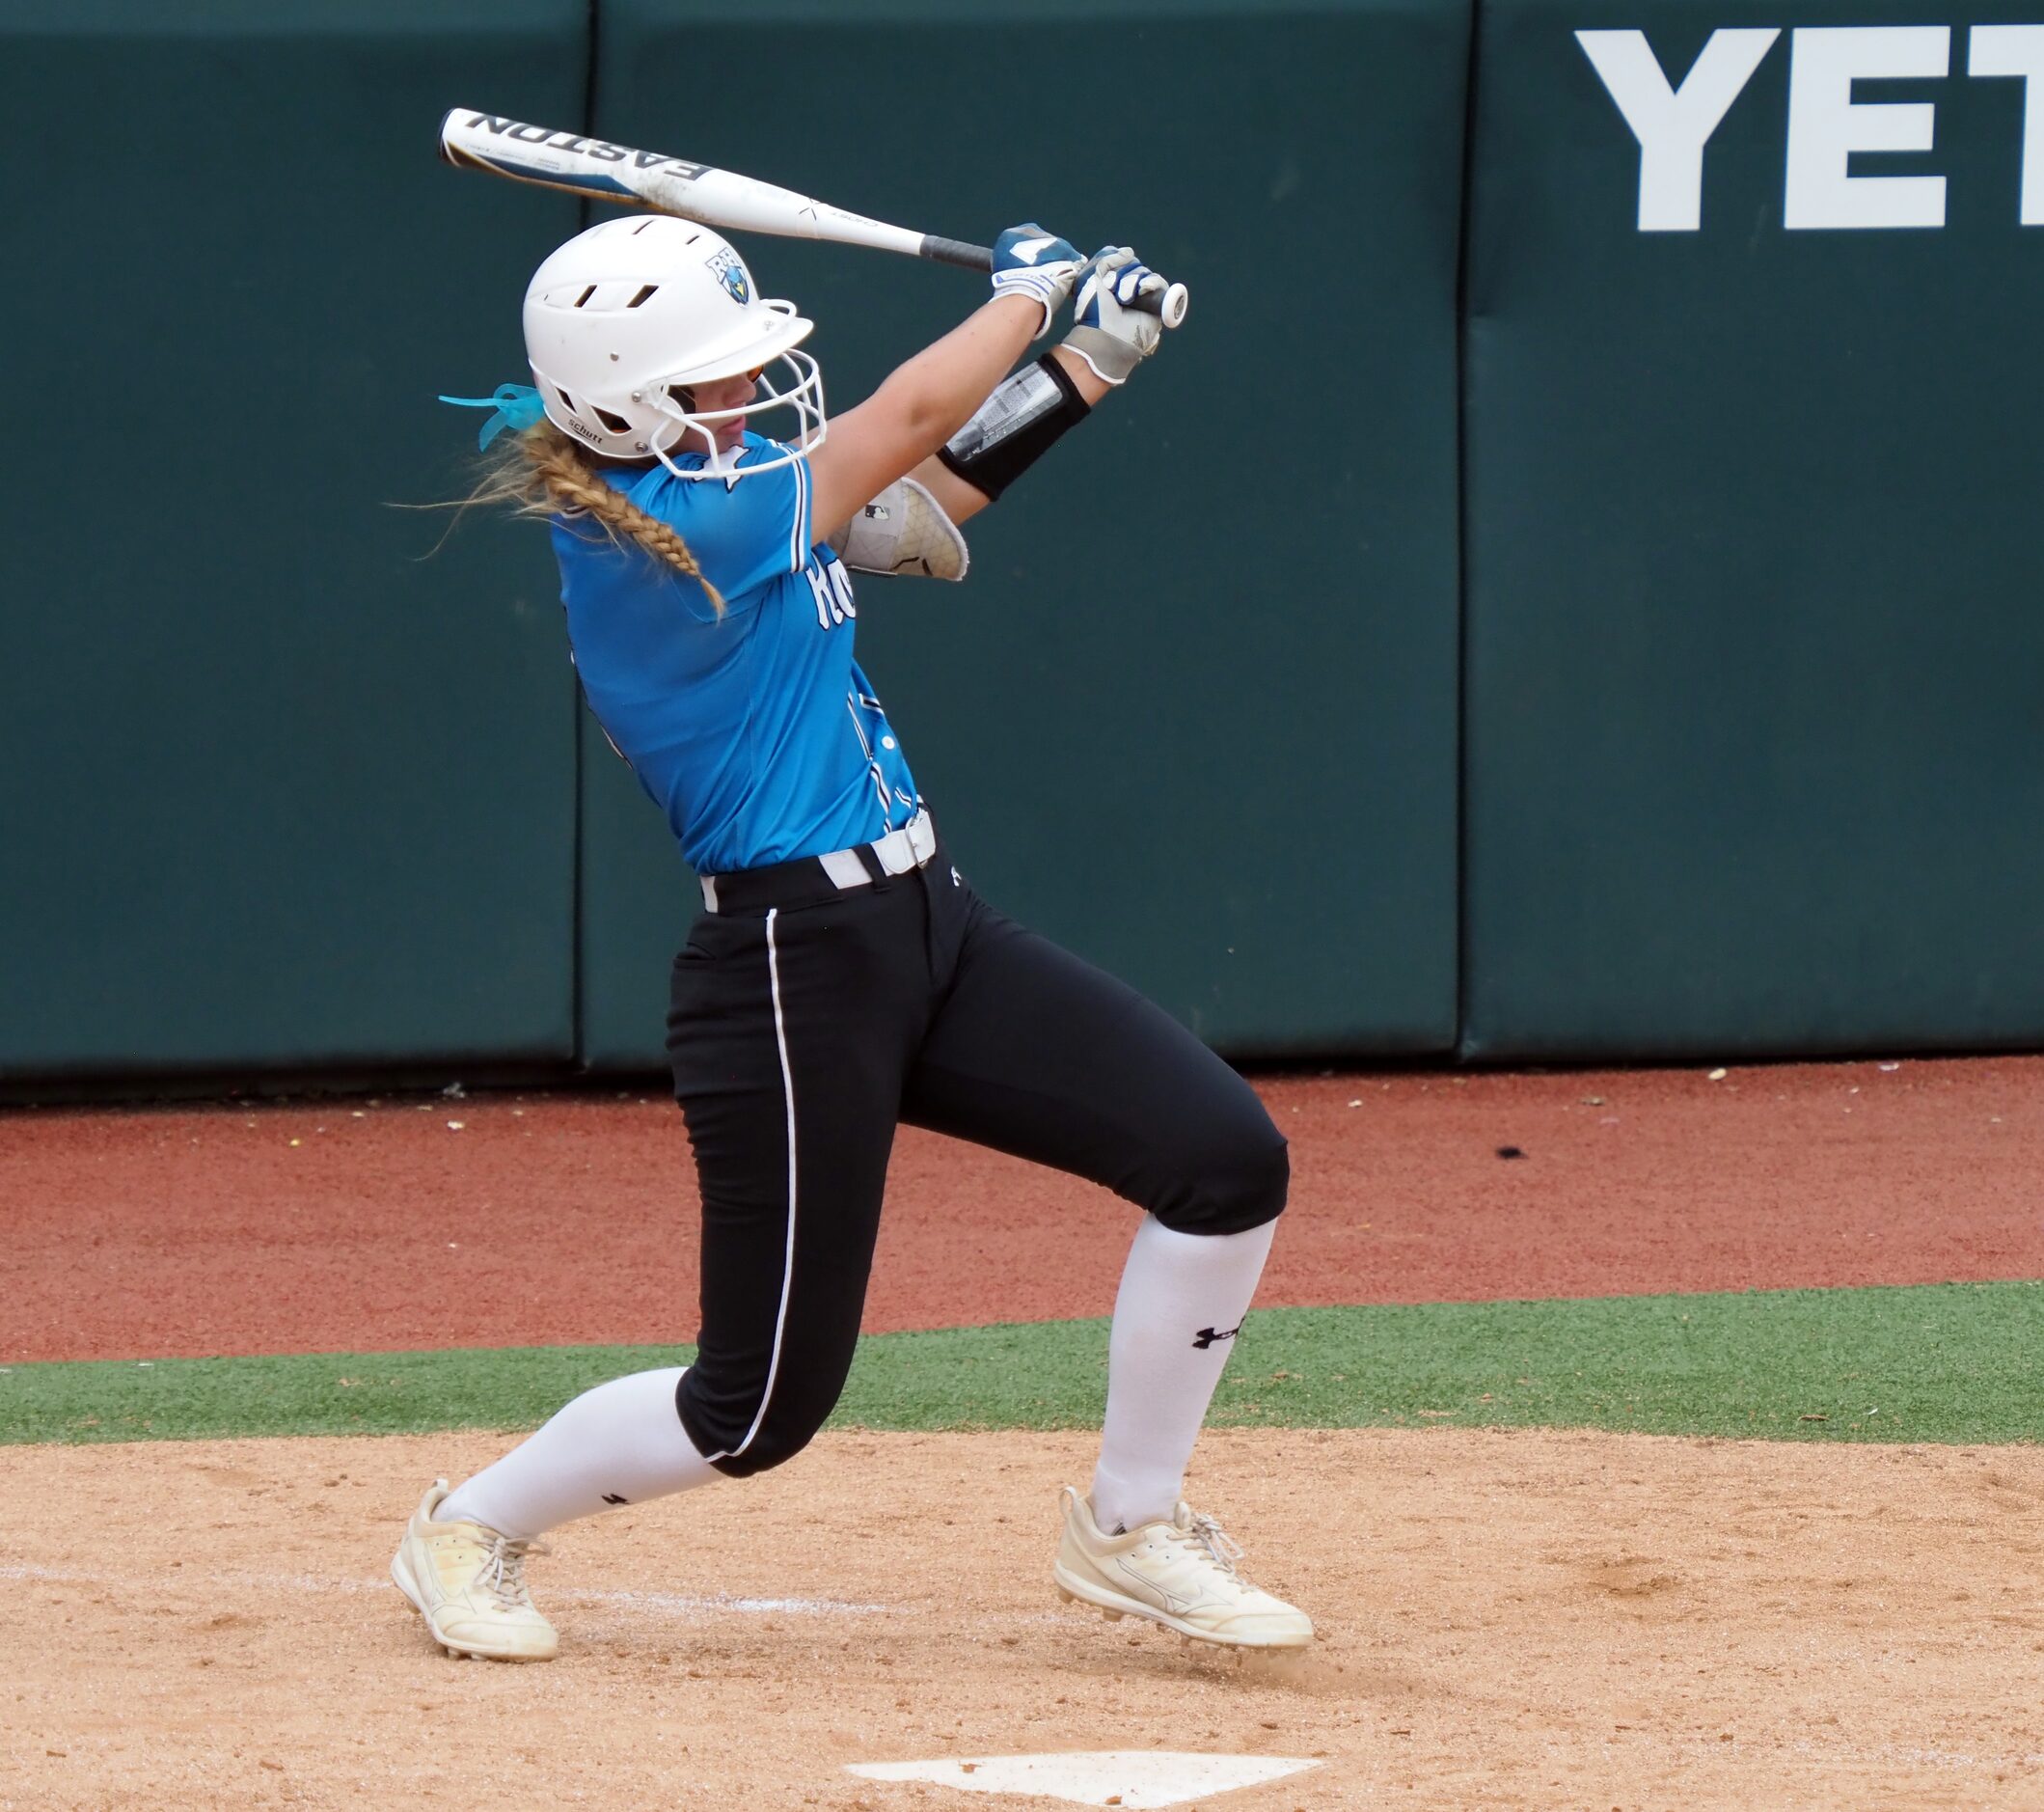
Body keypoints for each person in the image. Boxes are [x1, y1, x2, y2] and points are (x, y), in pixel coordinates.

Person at [393, 213, 1313, 1662]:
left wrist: (1092, 356)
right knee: (753, 1407)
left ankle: (1130, 1524)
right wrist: (1023, 295)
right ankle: (471, 1521)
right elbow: (909, 413)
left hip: (929, 922)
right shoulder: (681, 533)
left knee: (1224, 1163)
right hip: (788, 967)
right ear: (625, 404)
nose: (749, 398)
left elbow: (929, 491)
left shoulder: (745, 497)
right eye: (712, 386)